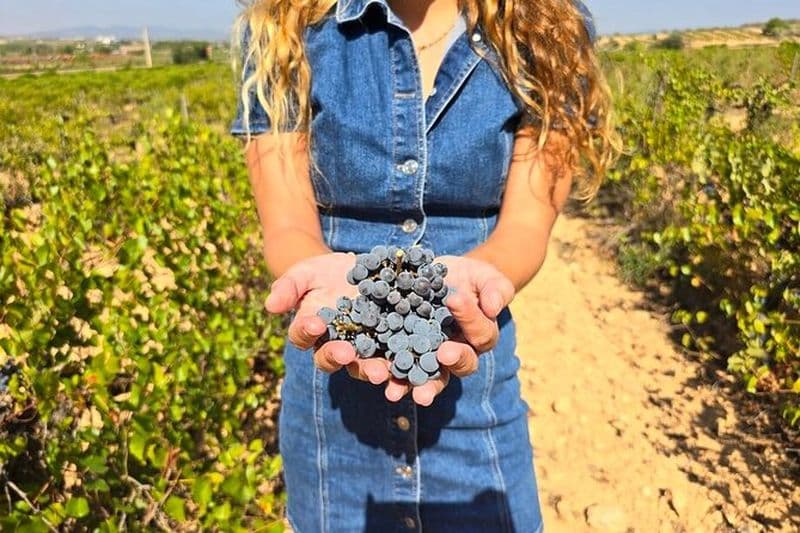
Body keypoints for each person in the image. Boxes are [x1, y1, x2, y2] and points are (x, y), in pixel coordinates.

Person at [229, 0, 615, 530]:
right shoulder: (283, 29)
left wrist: (474, 287)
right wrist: (325, 285)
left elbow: (525, 228)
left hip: (473, 401)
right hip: (334, 407)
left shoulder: (548, 27)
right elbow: (288, 226)